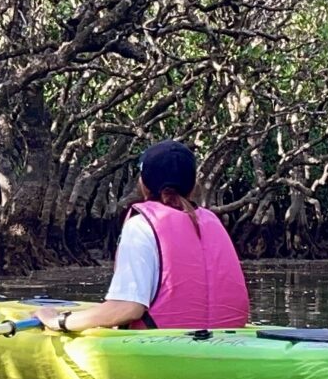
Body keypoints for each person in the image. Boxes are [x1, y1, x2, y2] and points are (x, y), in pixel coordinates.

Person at [34, 139, 250, 334]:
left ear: (143, 184)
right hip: (230, 344)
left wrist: (59, 321)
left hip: (164, 350)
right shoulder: (213, 223)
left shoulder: (141, 226)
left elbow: (128, 308)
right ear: (193, 186)